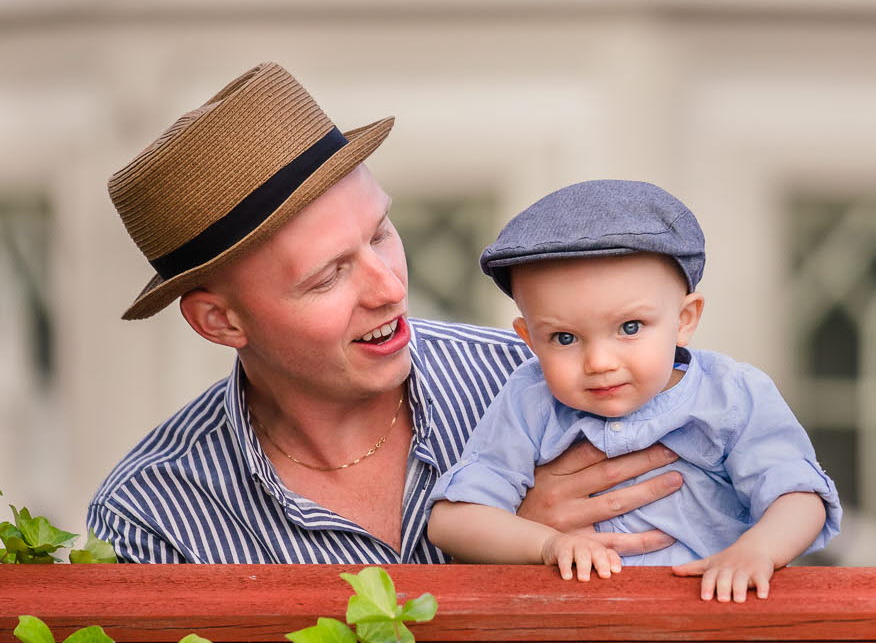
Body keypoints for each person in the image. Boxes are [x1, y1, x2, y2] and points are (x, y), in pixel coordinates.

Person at [87, 63, 684, 564]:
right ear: (221, 322)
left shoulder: (544, 381)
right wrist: (511, 547)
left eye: (379, 235)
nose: (389, 287)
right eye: (328, 276)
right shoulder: (148, 516)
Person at [427, 180, 841, 601]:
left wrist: (757, 550)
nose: (599, 362)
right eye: (564, 338)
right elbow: (453, 521)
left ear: (684, 319)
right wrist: (545, 544)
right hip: (572, 631)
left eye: (630, 328)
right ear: (529, 338)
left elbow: (799, 495)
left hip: (708, 617)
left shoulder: (730, 395)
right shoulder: (530, 401)